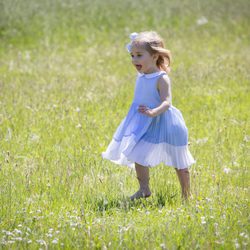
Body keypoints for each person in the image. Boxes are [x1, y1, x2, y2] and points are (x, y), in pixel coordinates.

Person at [102, 31, 195, 200]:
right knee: (137, 153)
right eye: (132, 55)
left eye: (139, 55)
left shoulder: (161, 78)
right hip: (146, 123)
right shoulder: (142, 75)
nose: (134, 60)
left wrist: (153, 112)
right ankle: (144, 189)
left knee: (179, 161)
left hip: (166, 122)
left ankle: (186, 195)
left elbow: (167, 102)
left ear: (154, 56)